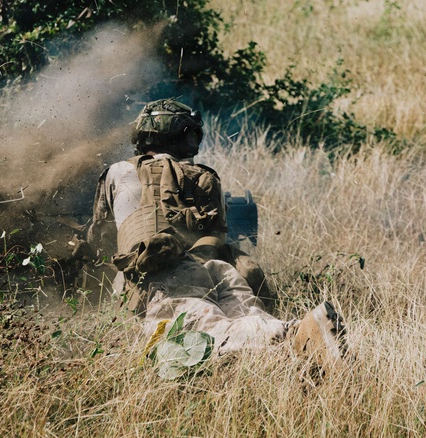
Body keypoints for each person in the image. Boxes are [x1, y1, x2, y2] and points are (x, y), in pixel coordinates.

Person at [85, 98, 345, 363]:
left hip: (167, 272)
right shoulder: (205, 177)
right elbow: (216, 237)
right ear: (186, 136)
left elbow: (101, 238)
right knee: (251, 318)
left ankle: (300, 332)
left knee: (199, 333)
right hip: (218, 270)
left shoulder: (119, 171)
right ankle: (298, 338)